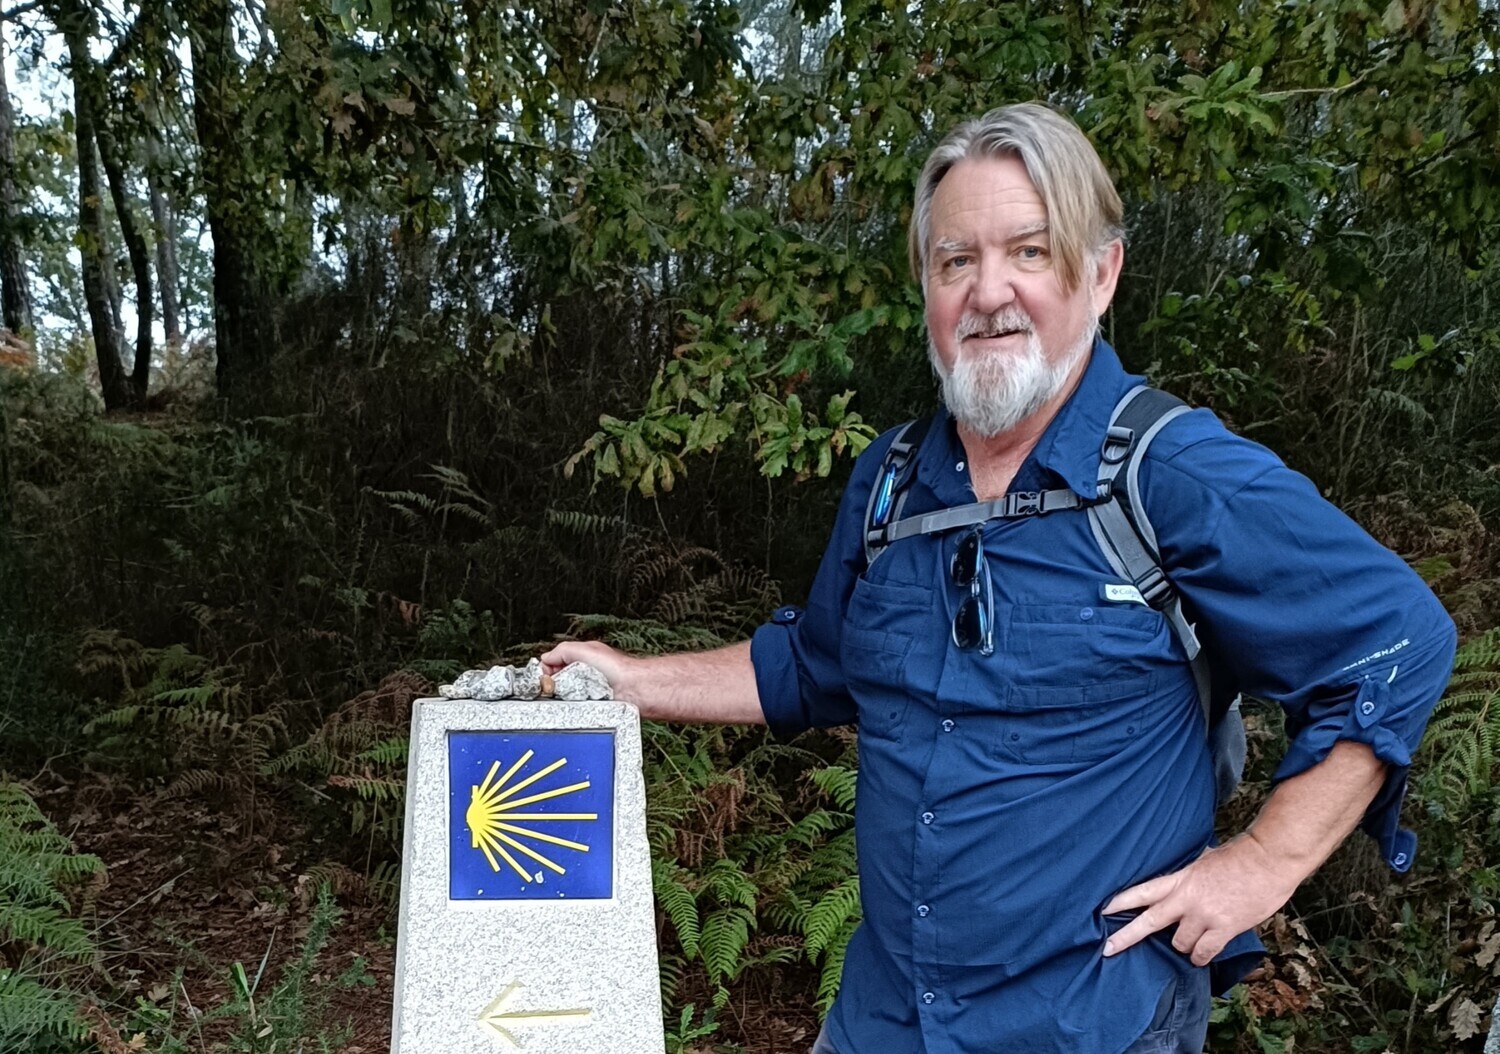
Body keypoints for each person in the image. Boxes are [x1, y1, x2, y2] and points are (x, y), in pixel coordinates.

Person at [540, 103, 1456, 1053]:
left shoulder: (1170, 475)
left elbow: (1398, 640)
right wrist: (631, 678)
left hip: (1087, 1024)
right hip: (885, 1020)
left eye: (1029, 251)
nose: (988, 293)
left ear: (1100, 275)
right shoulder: (890, 483)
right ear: (927, 292)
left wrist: (1264, 861)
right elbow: (814, 668)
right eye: (954, 261)